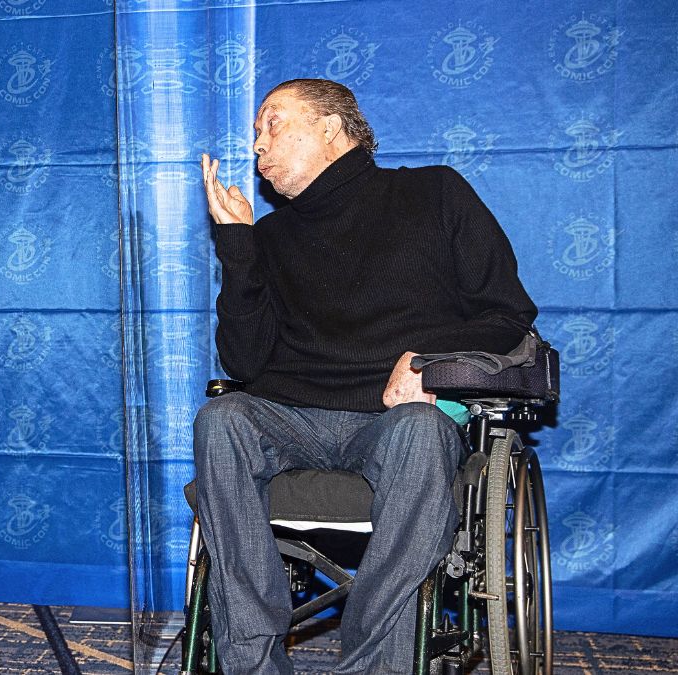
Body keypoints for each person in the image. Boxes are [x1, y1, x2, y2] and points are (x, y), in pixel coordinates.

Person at [195, 78, 537, 674]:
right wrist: (238, 246)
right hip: (291, 416)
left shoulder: (435, 194)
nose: (257, 145)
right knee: (222, 418)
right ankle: (252, 664)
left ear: (332, 129)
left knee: (422, 431)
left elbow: (508, 313)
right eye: (255, 133)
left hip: (393, 419)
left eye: (273, 123)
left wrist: (428, 357)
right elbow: (244, 363)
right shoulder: (269, 236)